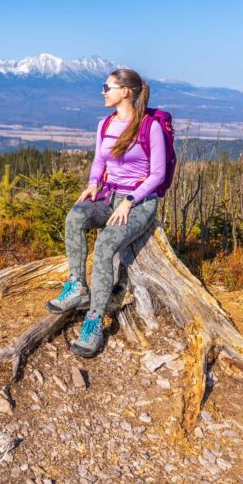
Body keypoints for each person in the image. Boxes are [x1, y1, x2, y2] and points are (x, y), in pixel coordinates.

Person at [46, 68, 167, 357]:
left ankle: (94, 321)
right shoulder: (105, 125)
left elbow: (158, 174)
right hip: (109, 195)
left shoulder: (149, 127)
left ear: (126, 92)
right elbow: (99, 162)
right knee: (75, 217)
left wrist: (130, 200)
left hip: (139, 202)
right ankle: (77, 286)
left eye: (107, 87)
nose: (103, 92)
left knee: (104, 245)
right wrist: (92, 184)